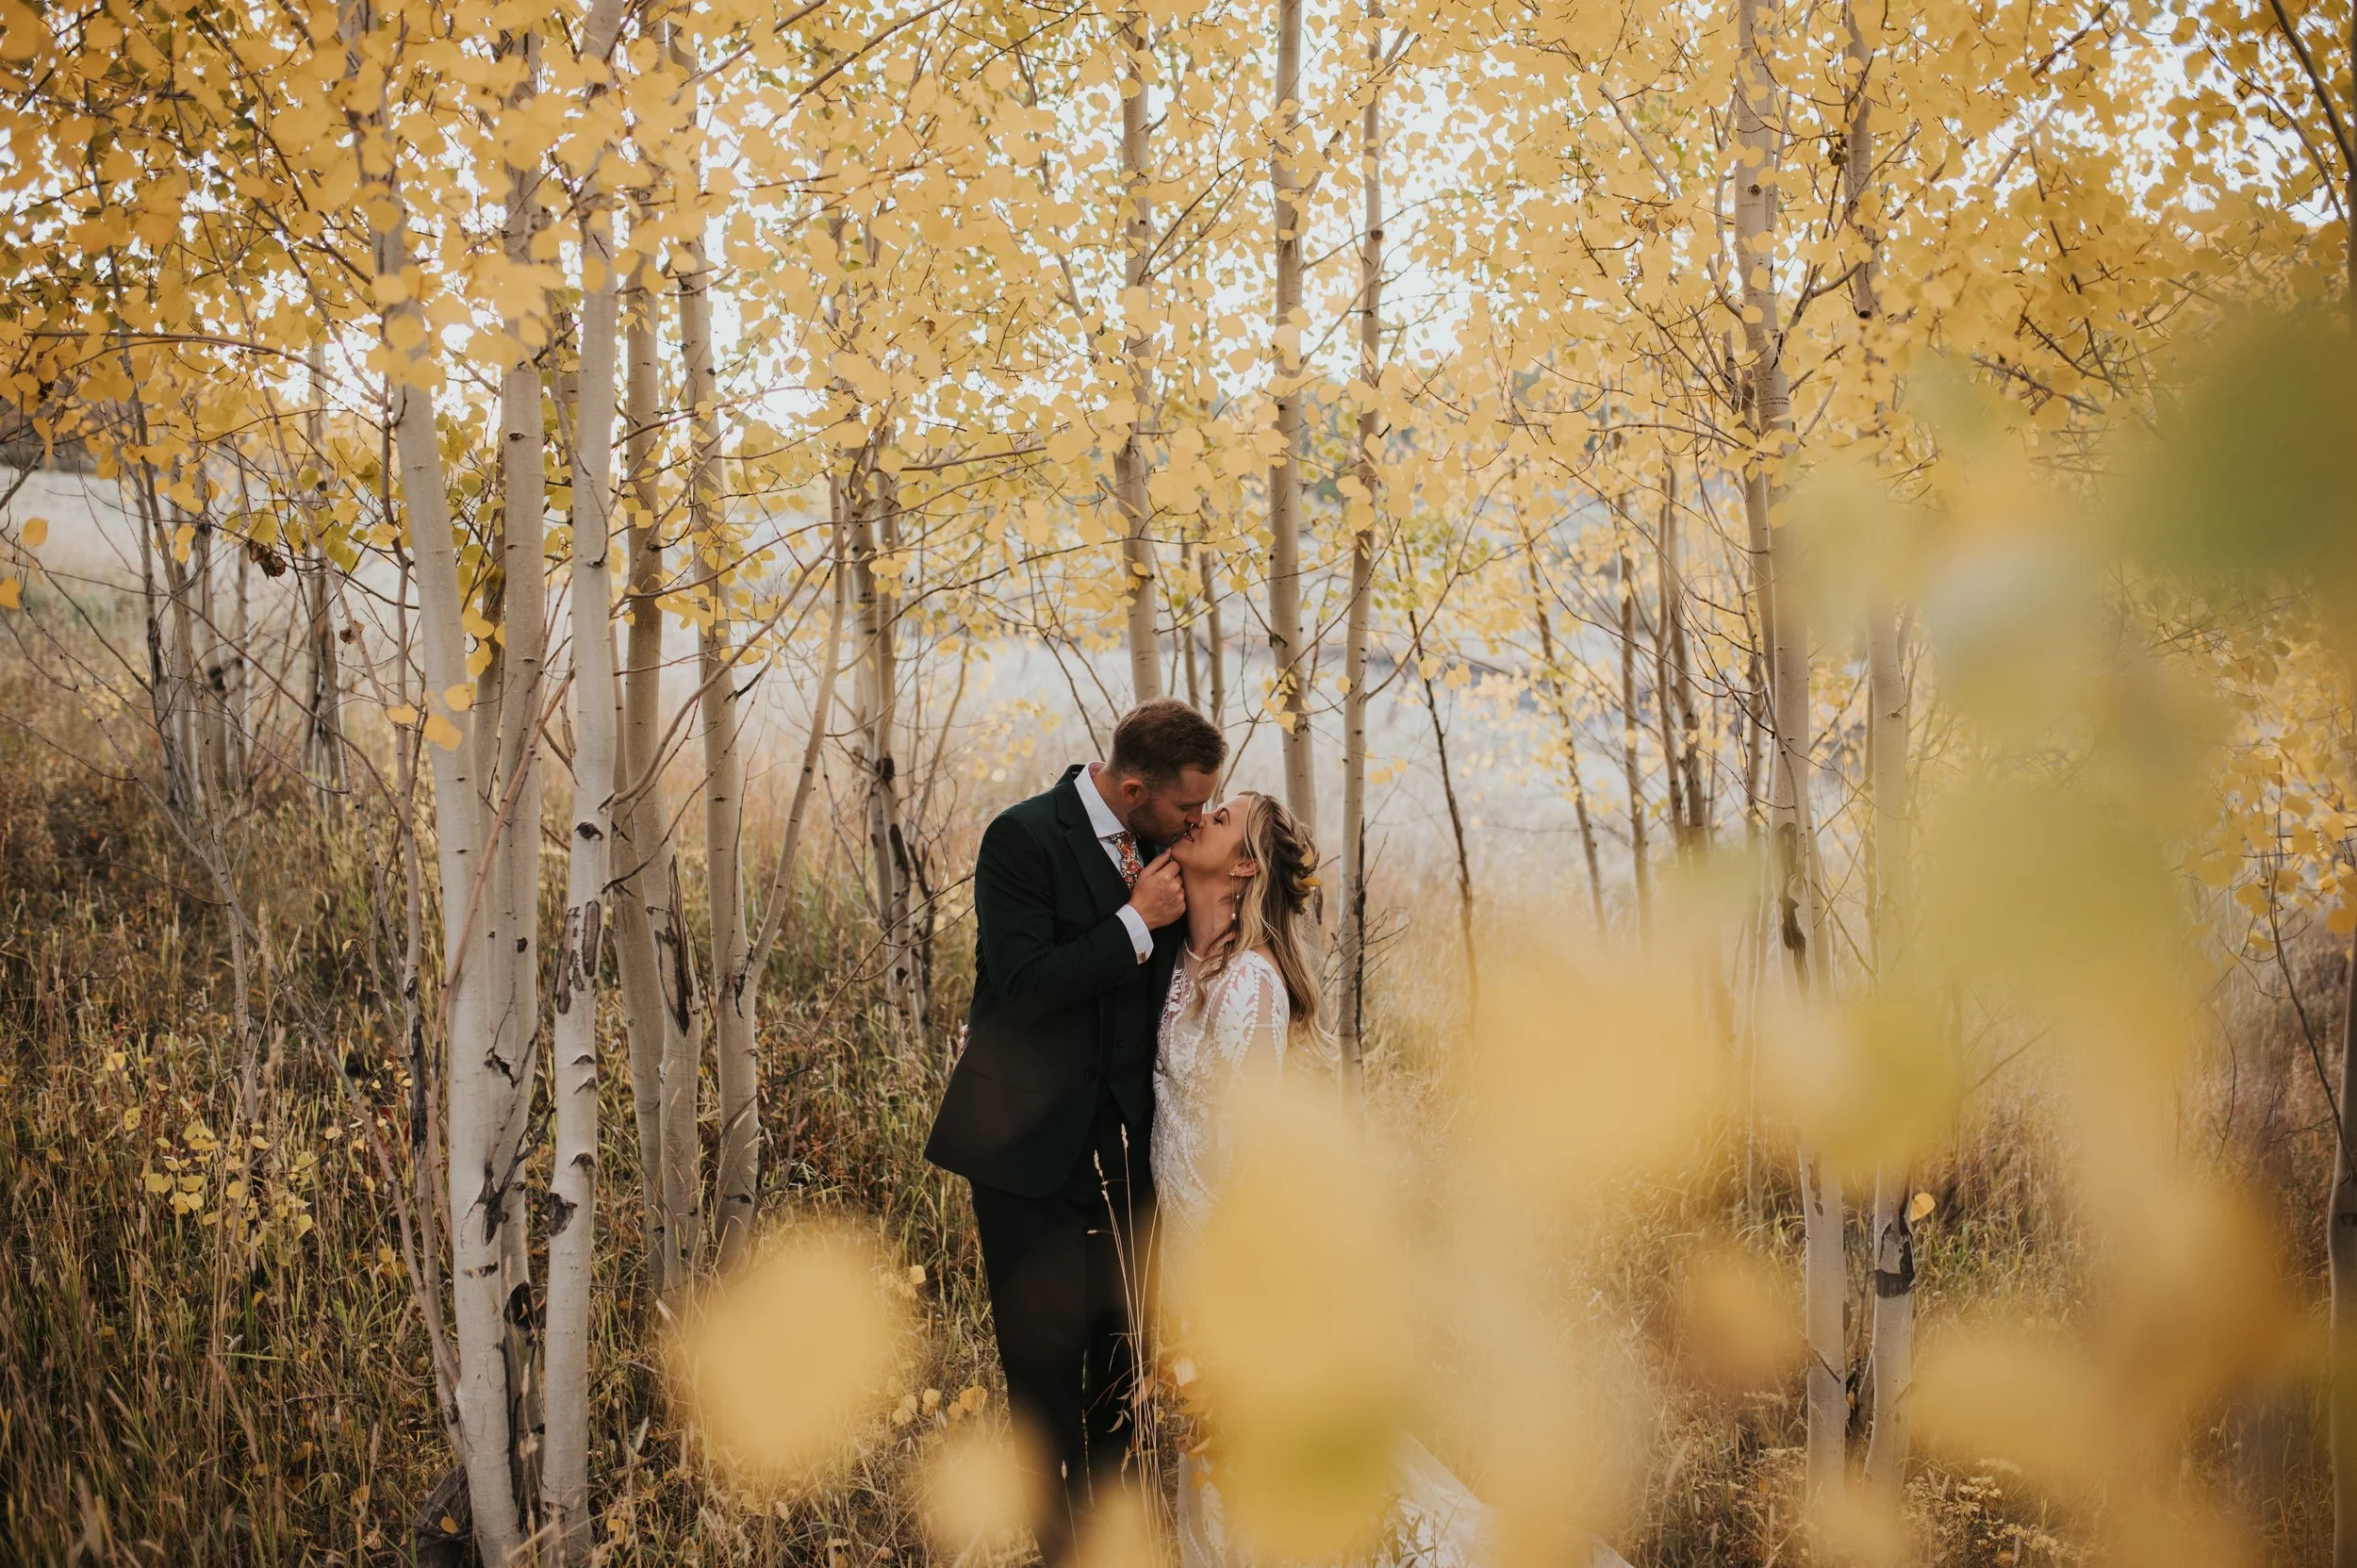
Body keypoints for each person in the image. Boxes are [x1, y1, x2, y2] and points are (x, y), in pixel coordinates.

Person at [925, 698, 1226, 1565]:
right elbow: (1020, 984)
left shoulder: (1170, 848)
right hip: (1028, 1161)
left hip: (1133, 1163)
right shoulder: (1020, 839)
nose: (1198, 820)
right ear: (1135, 789)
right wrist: (1135, 922)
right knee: (1045, 1383)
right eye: (1186, 806)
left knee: (1125, 1373)